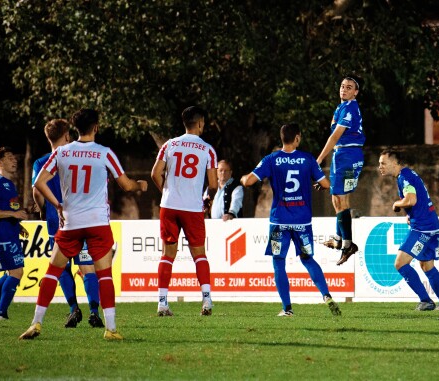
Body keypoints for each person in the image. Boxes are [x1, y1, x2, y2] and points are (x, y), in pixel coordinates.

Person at [20, 108, 148, 340]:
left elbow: (39, 182)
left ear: (75, 129)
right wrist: (140, 185)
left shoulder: (62, 153)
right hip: (97, 223)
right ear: (96, 127)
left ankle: (36, 323)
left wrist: (57, 204)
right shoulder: (104, 153)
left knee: (52, 272)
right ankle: (110, 329)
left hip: (71, 223)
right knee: (104, 275)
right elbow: (126, 186)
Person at [241, 123, 342, 317]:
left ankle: (287, 309)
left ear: (281, 138)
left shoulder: (271, 159)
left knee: (279, 262)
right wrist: (319, 184)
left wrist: (243, 178)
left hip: (280, 221)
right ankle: (326, 295)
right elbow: (326, 184)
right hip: (302, 221)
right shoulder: (307, 159)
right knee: (307, 259)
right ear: (297, 138)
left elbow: (250, 181)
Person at [32, 118, 103, 328]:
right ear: (67, 136)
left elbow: (37, 189)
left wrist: (44, 209)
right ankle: (94, 311)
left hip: (57, 221)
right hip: (81, 218)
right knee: (87, 265)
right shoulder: (76, 156)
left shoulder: (40, 162)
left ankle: (73, 309)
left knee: (61, 268)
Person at [151, 106, 218, 317]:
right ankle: (206, 300)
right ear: (199, 123)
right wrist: (208, 199)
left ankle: (162, 303)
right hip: (192, 207)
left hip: (169, 206)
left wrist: (167, 192)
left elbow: (155, 173)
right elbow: (214, 184)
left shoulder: (169, 145)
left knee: (167, 254)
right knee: (199, 254)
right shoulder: (207, 149)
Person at [377, 149, 439, 311]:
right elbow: (418, 199)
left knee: (400, 263)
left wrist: (397, 204)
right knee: (427, 266)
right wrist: (411, 214)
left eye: (383, 163)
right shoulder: (408, 174)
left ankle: (426, 301)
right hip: (431, 224)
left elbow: (411, 199)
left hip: (422, 228)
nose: (380, 167)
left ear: (395, 163)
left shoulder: (404, 177)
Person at [316, 75, 365, 266]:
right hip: (344, 155)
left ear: (356, 92)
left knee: (341, 200)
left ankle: (347, 244)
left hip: (347, 155)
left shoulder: (350, 108)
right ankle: (339, 238)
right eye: (342, 86)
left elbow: (335, 137)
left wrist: (318, 160)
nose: (344, 89)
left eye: (349, 87)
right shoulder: (341, 107)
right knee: (337, 198)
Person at [0, 147, 30, 320]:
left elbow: (8, 210)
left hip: (6, 233)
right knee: (17, 273)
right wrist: (13, 215)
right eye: (9, 158)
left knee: (11, 272)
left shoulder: (9, 184)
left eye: (14, 157)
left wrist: (17, 223)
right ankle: (1, 313)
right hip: (2, 236)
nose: (14, 160)